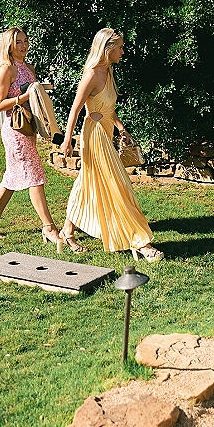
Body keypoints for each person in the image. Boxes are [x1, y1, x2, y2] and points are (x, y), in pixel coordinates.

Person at [61, 28, 164, 261]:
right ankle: (140, 242)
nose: (123, 52)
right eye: (119, 47)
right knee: (118, 184)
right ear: (107, 49)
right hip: (94, 135)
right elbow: (76, 109)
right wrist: (68, 139)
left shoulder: (108, 71)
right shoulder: (92, 74)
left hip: (106, 132)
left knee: (87, 182)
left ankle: (67, 232)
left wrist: (120, 128)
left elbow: (107, 107)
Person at [0, 27, 63, 251]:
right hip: (15, 130)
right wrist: (23, 97)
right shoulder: (6, 71)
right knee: (34, 175)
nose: (23, 45)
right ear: (9, 45)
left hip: (29, 129)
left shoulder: (28, 68)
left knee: (11, 178)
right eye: (18, 42)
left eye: (26, 41)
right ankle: (49, 227)